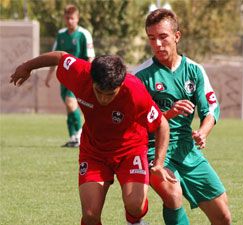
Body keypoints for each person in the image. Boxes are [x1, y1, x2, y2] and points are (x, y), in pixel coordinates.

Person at [10, 51, 177, 225]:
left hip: (130, 150)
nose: (104, 98)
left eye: (110, 94)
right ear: (92, 80)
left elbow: (161, 125)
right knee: (90, 215)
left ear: (120, 85)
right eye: (98, 91)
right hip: (94, 152)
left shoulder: (134, 91)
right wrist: (27, 66)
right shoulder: (80, 73)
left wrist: (158, 164)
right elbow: (60, 57)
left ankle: (136, 222)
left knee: (135, 206)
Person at [133, 8, 231, 225]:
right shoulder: (139, 76)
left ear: (177, 36)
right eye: (152, 38)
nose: (157, 44)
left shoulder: (194, 71)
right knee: (173, 194)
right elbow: (135, 124)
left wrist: (203, 132)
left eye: (163, 37)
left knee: (223, 217)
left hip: (187, 149)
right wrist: (168, 113)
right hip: (154, 149)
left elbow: (211, 109)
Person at [45, 4, 95, 148]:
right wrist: (49, 76)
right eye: (67, 18)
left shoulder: (84, 34)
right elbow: (54, 56)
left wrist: (91, 77)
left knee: (70, 102)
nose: (70, 21)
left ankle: (80, 135)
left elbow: (90, 57)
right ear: (64, 19)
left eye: (72, 18)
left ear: (77, 18)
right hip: (64, 77)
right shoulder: (61, 35)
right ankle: (73, 136)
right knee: (69, 106)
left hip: (80, 76)